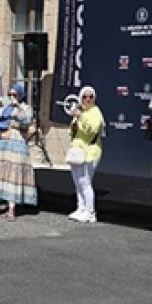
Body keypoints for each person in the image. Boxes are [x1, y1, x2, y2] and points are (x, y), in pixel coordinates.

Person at [0, 83, 38, 221]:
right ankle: (7, 204)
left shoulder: (26, 108)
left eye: (14, 94)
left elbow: (26, 121)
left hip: (17, 142)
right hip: (3, 142)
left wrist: (17, 106)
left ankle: (12, 209)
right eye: (10, 94)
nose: (11, 97)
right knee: (4, 173)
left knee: (13, 175)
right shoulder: (5, 108)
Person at [68, 86, 104, 223]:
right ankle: (81, 208)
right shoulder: (81, 112)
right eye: (84, 97)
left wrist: (80, 116)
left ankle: (90, 212)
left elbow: (92, 129)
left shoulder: (96, 112)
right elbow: (73, 132)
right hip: (77, 150)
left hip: (91, 151)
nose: (87, 100)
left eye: (90, 97)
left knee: (85, 182)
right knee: (77, 182)